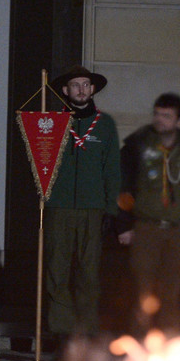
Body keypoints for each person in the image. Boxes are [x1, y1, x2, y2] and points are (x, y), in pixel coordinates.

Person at [44, 65, 120, 343]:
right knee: (57, 269)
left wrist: (111, 209)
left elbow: (112, 169)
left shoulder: (106, 124)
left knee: (89, 273)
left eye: (85, 85)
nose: (81, 90)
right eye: (75, 85)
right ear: (65, 90)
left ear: (92, 89)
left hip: (93, 207)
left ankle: (86, 334)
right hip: (59, 206)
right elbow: (39, 163)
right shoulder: (51, 122)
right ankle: (61, 334)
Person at [117, 92, 180, 334]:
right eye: (157, 114)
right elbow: (123, 185)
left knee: (172, 291)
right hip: (146, 227)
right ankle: (139, 344)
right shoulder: (137, 144)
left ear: (179, 119)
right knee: (143, 291)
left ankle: (169, 346)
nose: (160, 119)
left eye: (167, 115)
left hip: (178, 229)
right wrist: (124, 224)